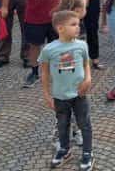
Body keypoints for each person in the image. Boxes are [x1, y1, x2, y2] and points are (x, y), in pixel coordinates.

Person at [40, 10, 94, 170]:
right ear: (60, 28)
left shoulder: (82, 45)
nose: (78, 27)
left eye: (78, 24)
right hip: (59, 96)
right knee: (62, 124)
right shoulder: (49, 49)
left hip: (79, 94)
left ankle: (87, 152)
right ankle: (64, 149)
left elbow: (86, 63)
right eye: (73, 24)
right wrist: (46, 94)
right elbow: (44, 72)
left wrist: (88, 79)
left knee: (84, 123)